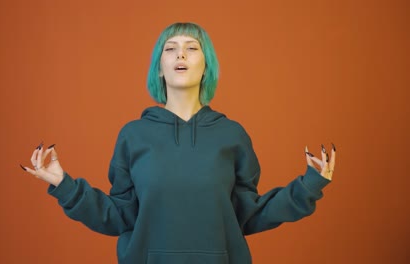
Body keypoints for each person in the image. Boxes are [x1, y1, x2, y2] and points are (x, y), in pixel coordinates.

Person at [20, 22, 336, 264]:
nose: (180, 54)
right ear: (160, 67)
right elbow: (120, 216)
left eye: (192, 47)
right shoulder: (133, 135)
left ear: (206, 65)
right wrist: (62, 183)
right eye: (170, 48)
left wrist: (309, 185)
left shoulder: (232, 135)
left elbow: (248, 215)